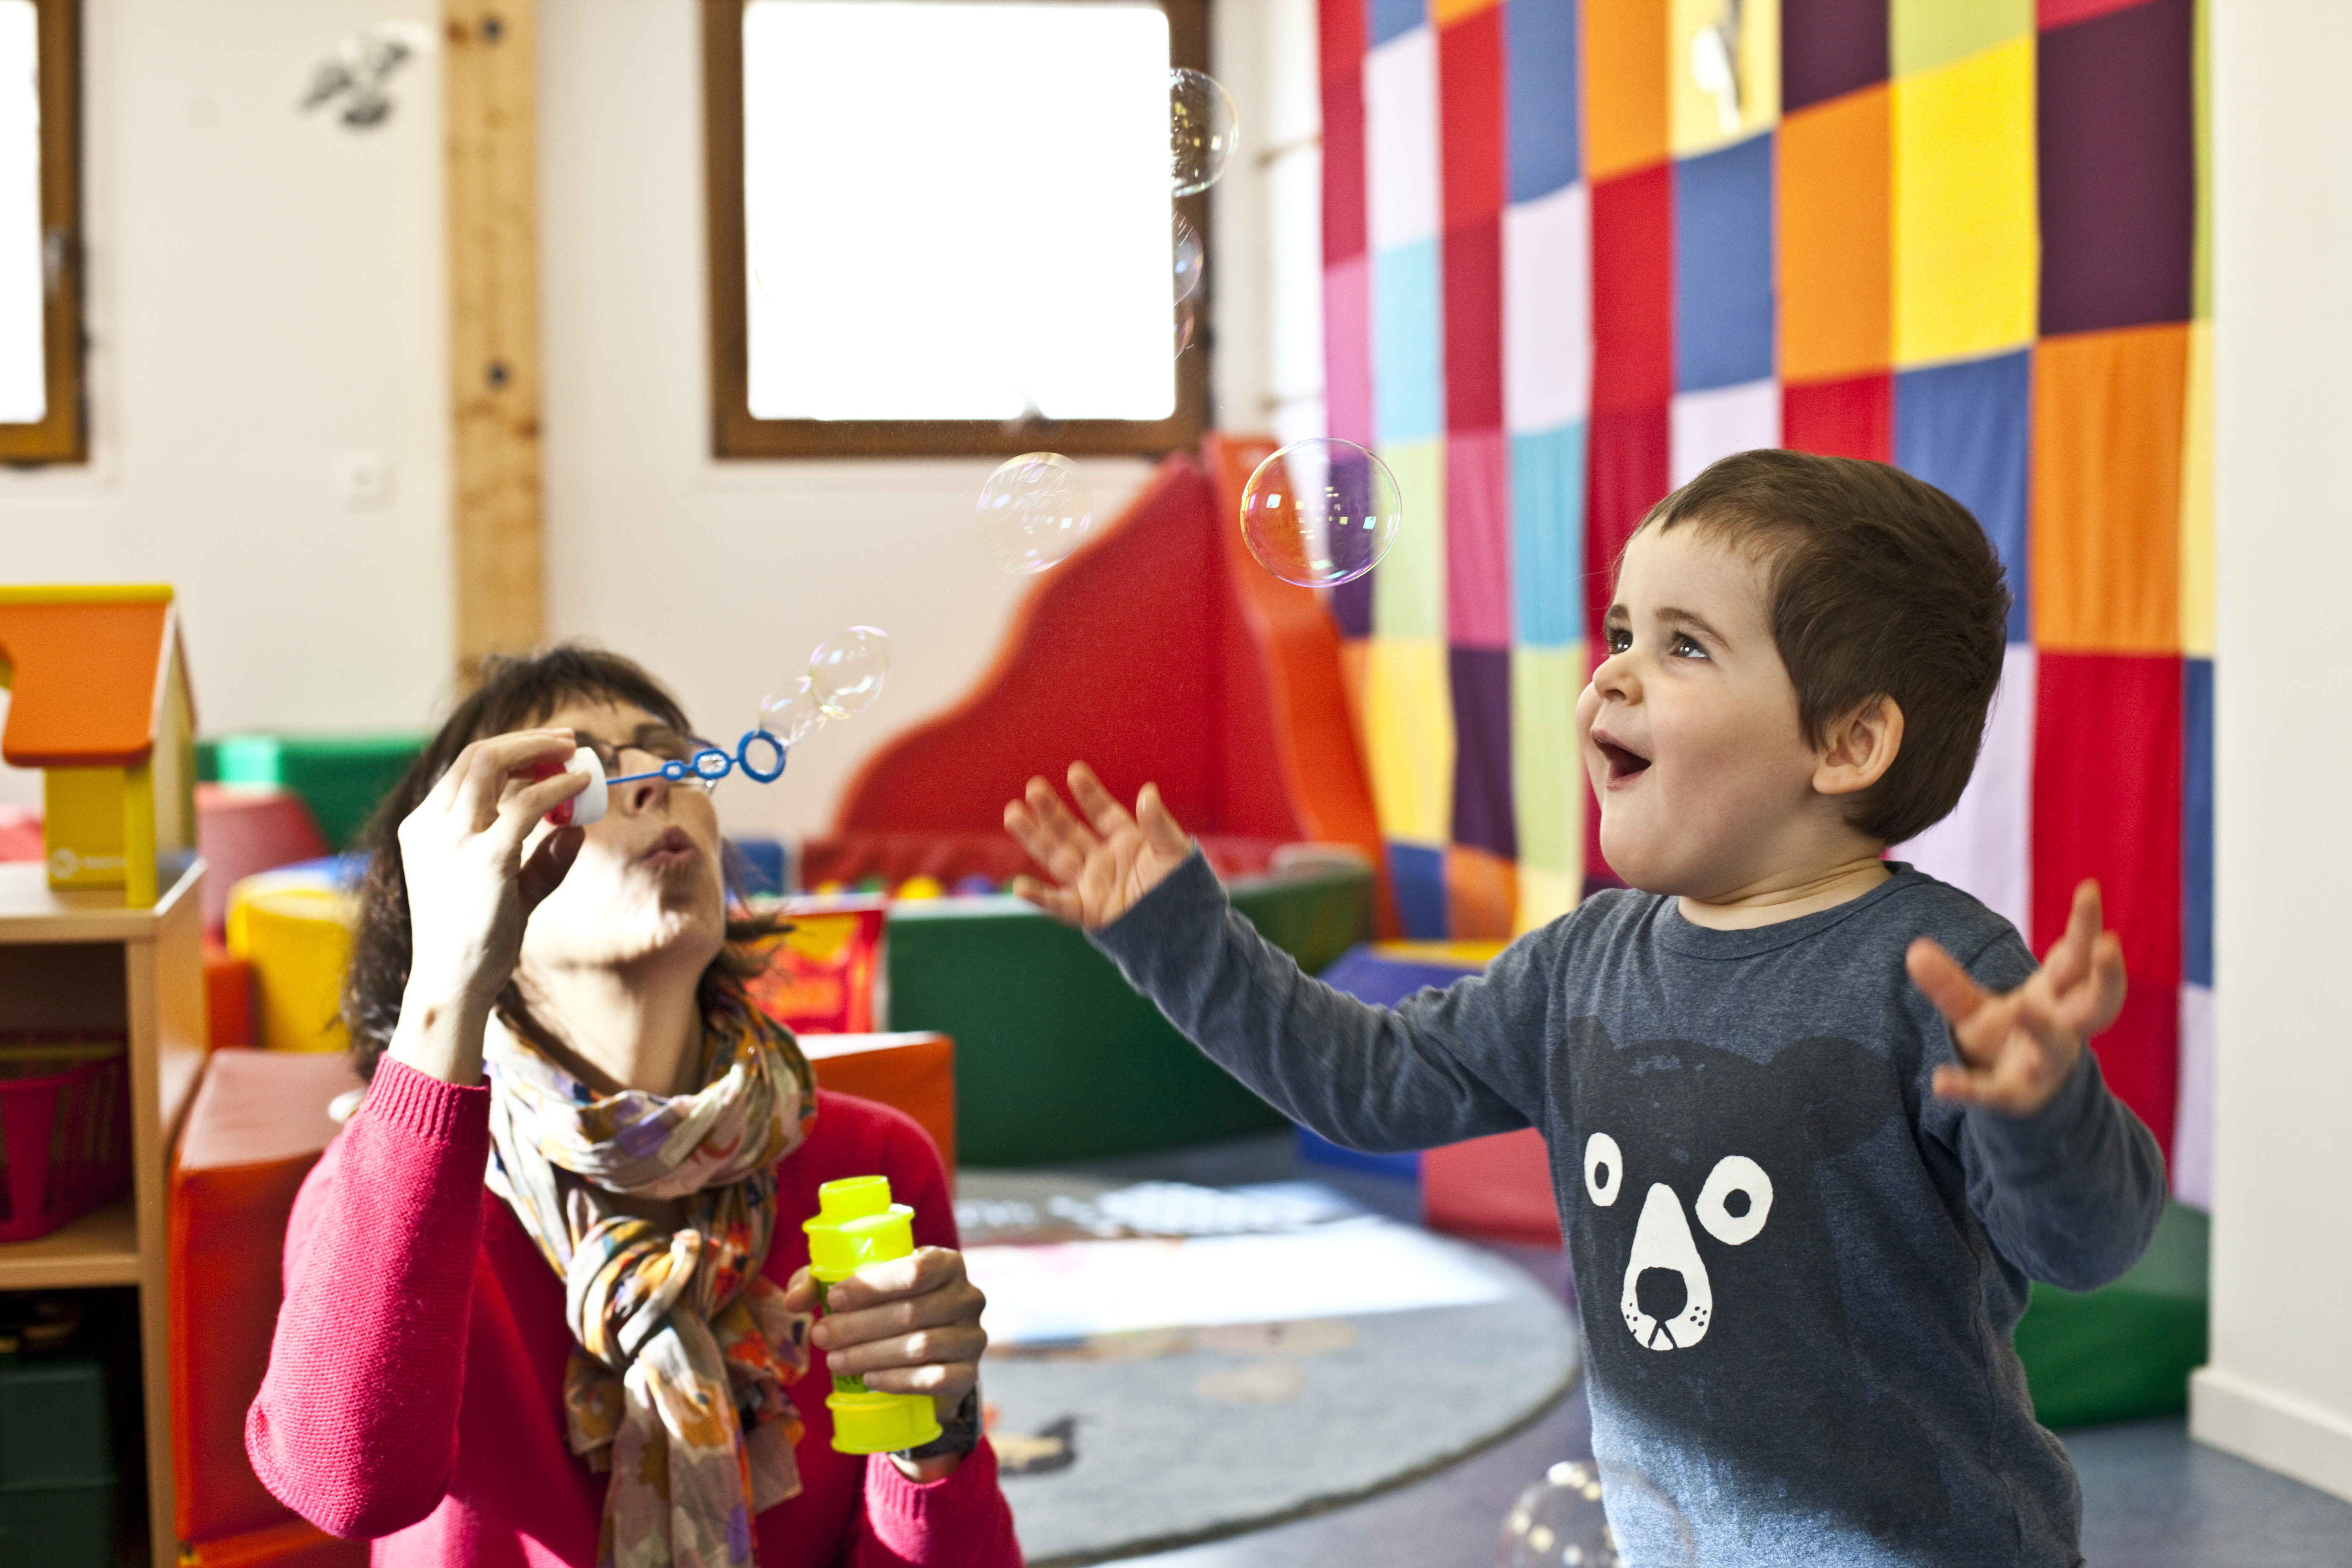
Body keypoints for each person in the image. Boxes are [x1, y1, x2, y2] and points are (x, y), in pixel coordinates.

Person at [1005, 450, 2166, 1567]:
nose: (1610, 674)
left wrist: (2045, 1110)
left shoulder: (1939, 973)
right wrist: (1175, 935)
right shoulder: (1582, 964)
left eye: (1684, 646)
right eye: (1621, 633)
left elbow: (2089, 1242)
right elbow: (1360, 1084)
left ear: (1846, 742)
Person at [248, 647, 1020, 1568]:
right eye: (583, 778)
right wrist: (446, 985)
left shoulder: (868, 1161)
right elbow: (349, 1486)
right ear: (478, 883)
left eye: (672, 757)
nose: (655, 787)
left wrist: (937, 1439)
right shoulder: (397, 1186)